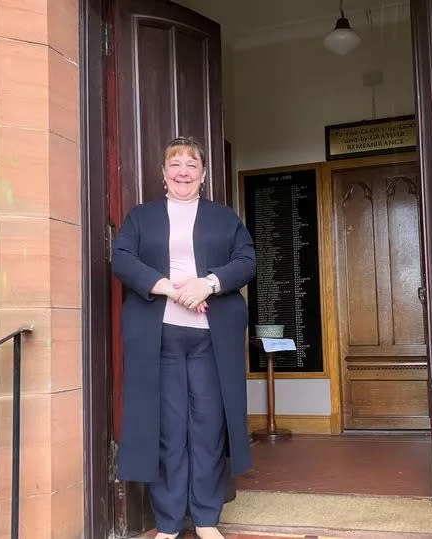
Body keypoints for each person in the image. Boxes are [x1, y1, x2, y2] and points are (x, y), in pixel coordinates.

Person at [111, 136, 256, 539]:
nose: (183, 172)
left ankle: (207, 520)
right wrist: (170, 288)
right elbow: (122, 258)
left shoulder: (224, 218)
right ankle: (169, 522)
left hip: (211, 339)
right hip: (161, 339)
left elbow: (247, 260)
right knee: (169, 430)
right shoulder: (142, 217)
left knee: (208, 428)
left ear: (204, 175)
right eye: (175, 164)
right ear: (163, 174)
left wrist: (208, 284)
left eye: (192, 165)